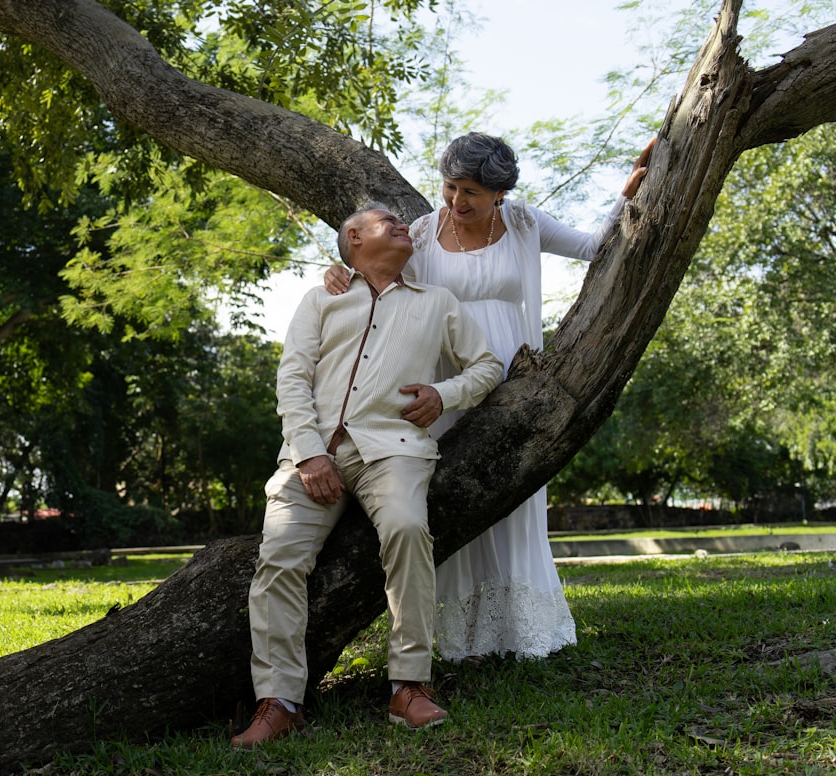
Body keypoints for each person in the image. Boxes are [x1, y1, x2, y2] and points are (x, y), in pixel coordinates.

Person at [324, 133, 653, 662]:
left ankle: (519, 632)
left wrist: (630, 193)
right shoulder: (426, 234)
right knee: (453, 494)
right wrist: (336, 270)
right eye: (451, 187)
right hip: (444, 385)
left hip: (515, 379)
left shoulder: (524, 223)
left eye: (471, 191)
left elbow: (595, 247)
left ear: (499, 191)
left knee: (513, 497)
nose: (457, 201)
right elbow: (376, 278)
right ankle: (458, 637)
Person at [230, 204, 504, 749]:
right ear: (354, 238)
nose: (405, 225)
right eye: (388, 222)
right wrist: (309, 454)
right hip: (310, 455)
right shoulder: (321, 297)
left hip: (394, 450)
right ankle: (281, 701)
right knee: (279, 558)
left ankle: (409, 687)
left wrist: (444, 394)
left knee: (406, 529)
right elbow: (292, 380)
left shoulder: (438, 303)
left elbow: (488, 365)